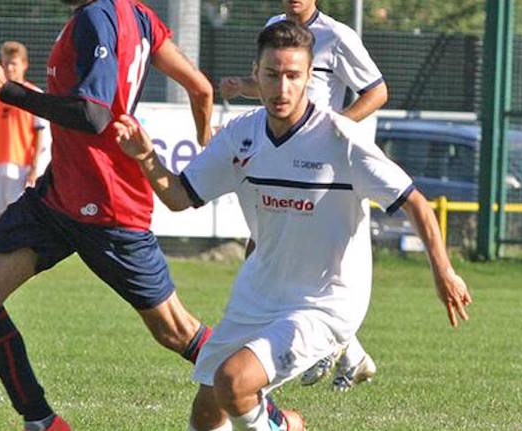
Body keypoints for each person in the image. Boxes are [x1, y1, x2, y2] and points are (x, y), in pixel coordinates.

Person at [113, 20, 472, 431]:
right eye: (272, 75)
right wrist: (146, 158)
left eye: (292, 76)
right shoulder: (241, 136)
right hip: (259, 291)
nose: (282, 88)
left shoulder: (341, 139)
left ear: (308, 79)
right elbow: (179, 198)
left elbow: (416, 203)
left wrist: (443, 271)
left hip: (324, 302)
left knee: (234, 383)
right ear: (256, 75)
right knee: (207, 410)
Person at [0, 1, 214, 430]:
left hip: (108, 208)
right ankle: (42, 422)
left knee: (177, 332)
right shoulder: (138, 15)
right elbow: (202, 88)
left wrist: (12, 91)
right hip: (58, 198)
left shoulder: (98, 17)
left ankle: (266, 410)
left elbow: (93, 114)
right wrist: (208, 149)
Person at [219, 0, 388, 390]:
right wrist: (241, 87)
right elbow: (273, 85)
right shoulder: (275, 26)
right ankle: (349, 352)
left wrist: (333, 128)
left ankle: (326, 342)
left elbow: (377, 91)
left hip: (322, 170)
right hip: (282, 158)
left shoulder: (338, 36)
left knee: (295, 256)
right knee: (263, 250)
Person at [0, 41, 46, 224]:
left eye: (13, 63)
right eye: (5, 63)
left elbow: (39, 134)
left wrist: (34, 168)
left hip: (20, 168)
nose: (9, 68)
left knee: (19, 217)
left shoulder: (32, 94)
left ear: (25, 65)